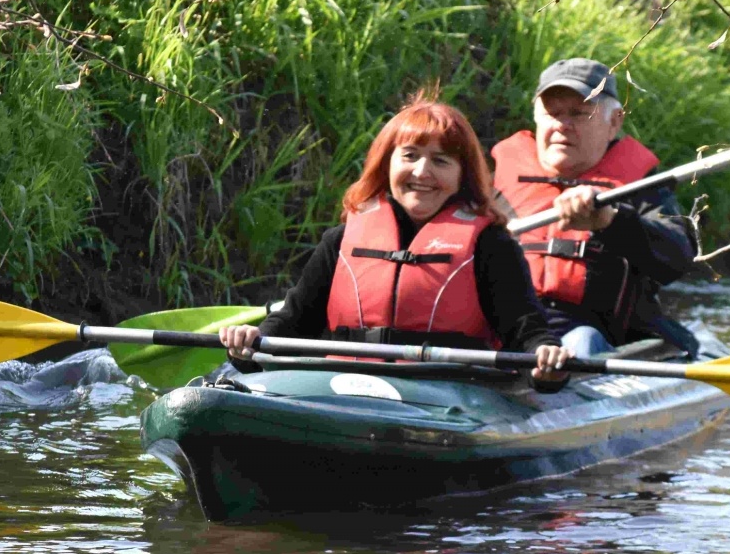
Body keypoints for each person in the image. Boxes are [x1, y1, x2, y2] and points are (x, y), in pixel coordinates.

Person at [219, 92, 569, 387]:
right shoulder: (340, 241)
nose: (421, 172)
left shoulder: (490, 246)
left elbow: (525, 328)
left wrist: (545, 358)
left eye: (441, 161)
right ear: (386, 165)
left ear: (463, 176)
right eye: (410, 156)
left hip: (446, 392)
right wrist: (252, 342)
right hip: (341, 385)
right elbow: (293, 321)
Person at [490, 58, 697, 358]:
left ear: (614, 122)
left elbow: (678, 256)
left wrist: (610, 222)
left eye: (579, 113)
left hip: (596, 338)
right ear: (537, 118)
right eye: (553, 113)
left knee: (583, 341)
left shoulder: (641, 189)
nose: (563, 124)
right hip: (514, 330)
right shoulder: (493, 184)